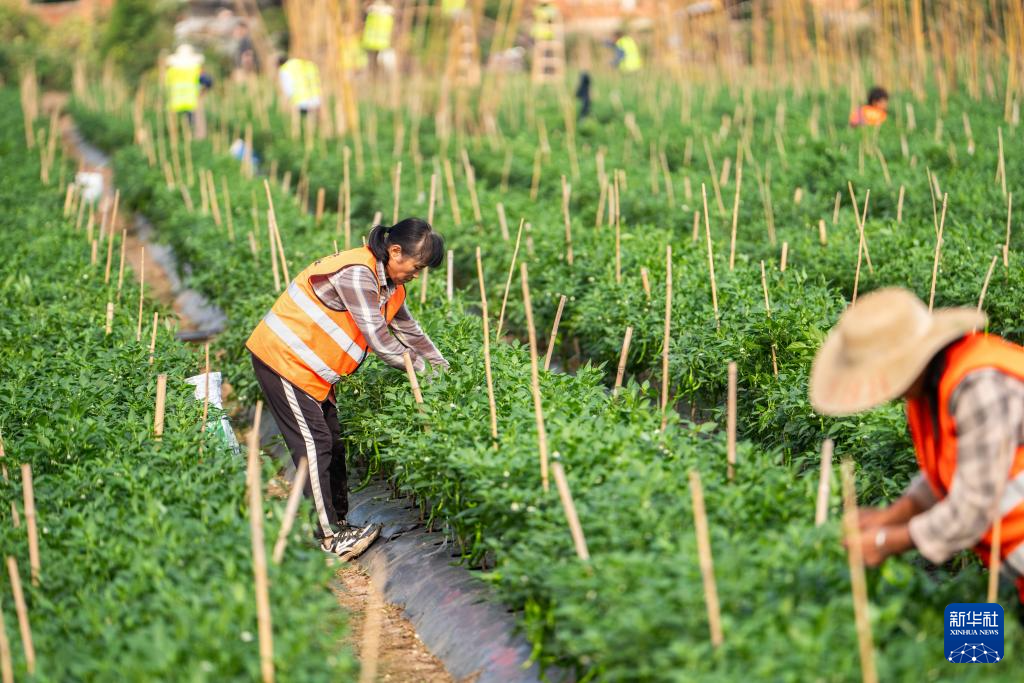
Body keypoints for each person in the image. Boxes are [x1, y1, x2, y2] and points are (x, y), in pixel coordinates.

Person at [246, 219, 448, 561]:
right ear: (395, 251)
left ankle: (339, 523)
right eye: (416, 267)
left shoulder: (391, 287)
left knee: (333, 441)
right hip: (284, 358)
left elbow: (411, 332)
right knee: (314, 445)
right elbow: (380, 341)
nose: (416, 275)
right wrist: (421, 369)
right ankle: (328, 538)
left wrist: (445, 371)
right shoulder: (358, 273)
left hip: (314, 371)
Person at [809, 287, 1024, 608]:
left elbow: (972, 507)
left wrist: (887, 541)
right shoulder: (929, 389)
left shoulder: (979, 387)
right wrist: (889, 517)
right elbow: (947, 471)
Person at [164, 44, 212, 129]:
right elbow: (208, 82)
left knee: (176, 131)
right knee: (193, 129)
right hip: (192, 104)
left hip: (174, 105)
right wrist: (203, 91)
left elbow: (166, 85)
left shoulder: (171, 71)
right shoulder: (196, 69)